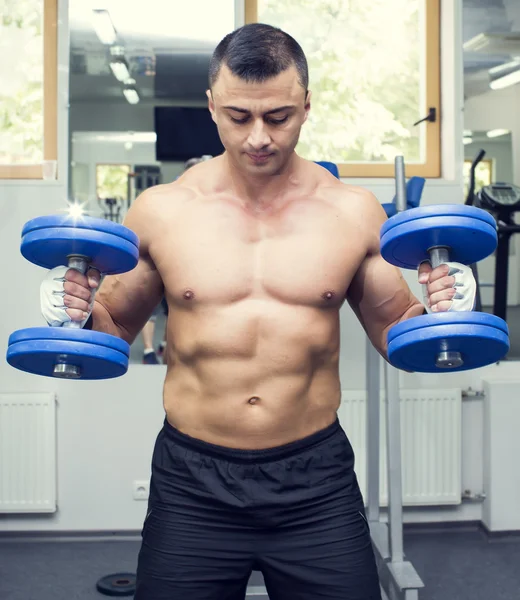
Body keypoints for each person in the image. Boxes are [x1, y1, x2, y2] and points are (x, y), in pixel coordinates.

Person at [40, 23, 476, 600]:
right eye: (239, 116)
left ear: (307, 105)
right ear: (212, 106)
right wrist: (71, 312)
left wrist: (443, 310)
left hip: (314, 481)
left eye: (278, 116)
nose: (258, 138)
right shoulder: (163, 211)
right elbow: (115, 325)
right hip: (193, 482)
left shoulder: (351, 211)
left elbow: (395, 329)